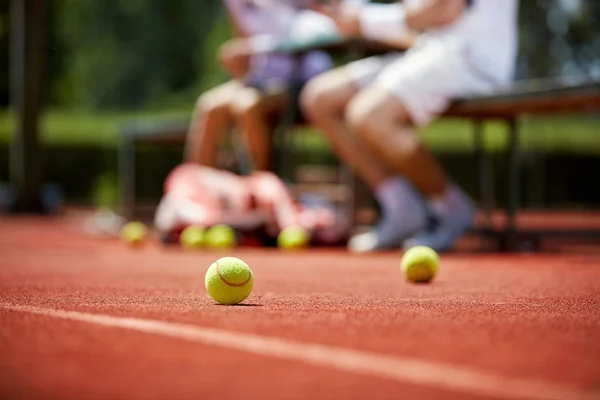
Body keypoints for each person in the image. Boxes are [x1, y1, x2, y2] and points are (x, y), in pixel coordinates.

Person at [301, 0, 519, 252]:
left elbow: (445, 9)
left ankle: (451, 209)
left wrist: (365, 20)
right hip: (430, 50)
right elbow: (418, 26)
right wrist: (354, 20)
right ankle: (401, 208)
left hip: (472, 59)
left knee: (368, 114)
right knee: (319, 99)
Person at [184, 0, 338, 171]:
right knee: (209, 105)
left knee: (247, 105)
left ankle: (262, 185)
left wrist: (253, 48)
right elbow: (244, 45)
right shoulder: (234, 4)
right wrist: (237, 62)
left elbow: (313, 26)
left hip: (303, 79)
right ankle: (197, 186)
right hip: (261, 79)